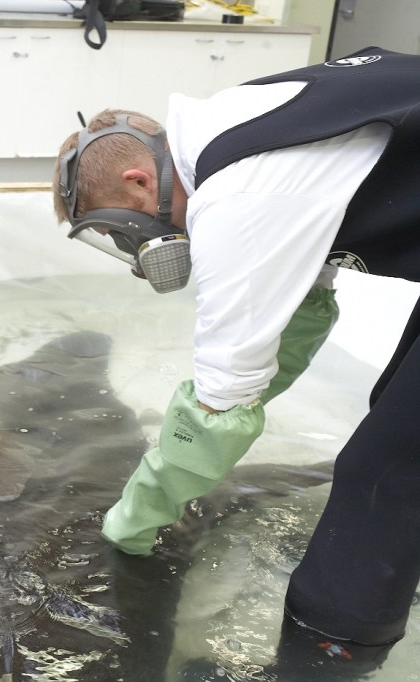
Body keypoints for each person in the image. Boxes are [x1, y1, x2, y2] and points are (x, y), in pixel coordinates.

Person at [52, 45, 420, 661]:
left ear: (138, 181)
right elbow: (296, 318)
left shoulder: (237, 198)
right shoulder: (243, 121)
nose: (132, 247)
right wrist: (231, 404)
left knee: (385, 470)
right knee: (396, 407)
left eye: (120, 228)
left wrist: (136, 517)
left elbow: (222, 403)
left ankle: (329, 650)